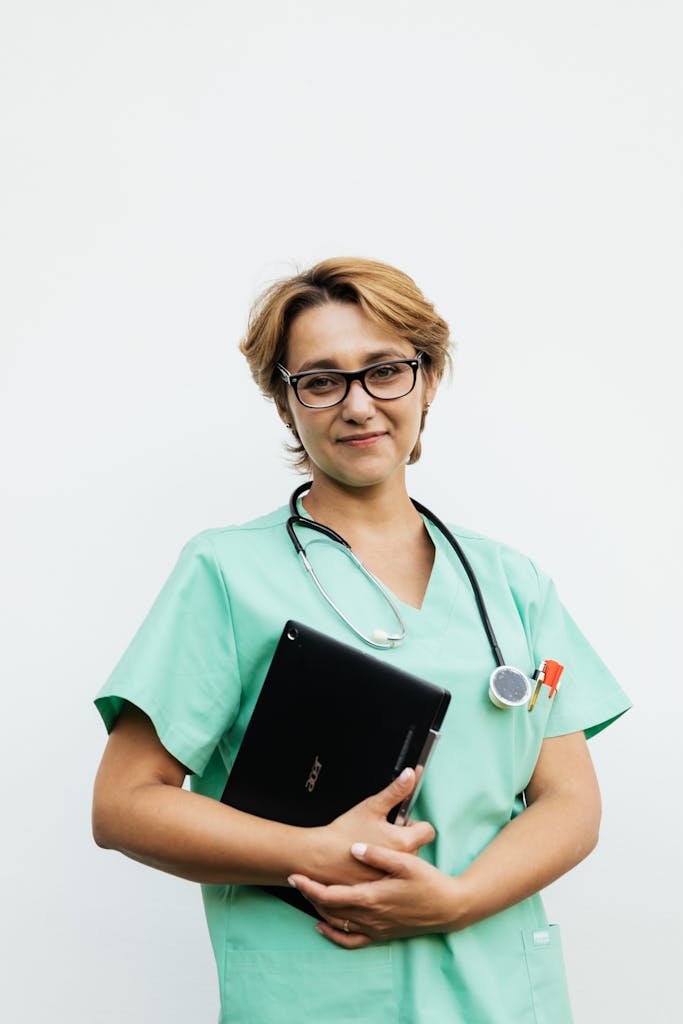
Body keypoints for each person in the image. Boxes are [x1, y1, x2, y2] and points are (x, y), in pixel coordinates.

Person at [92, 257, 630, 1023]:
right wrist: (306, 851)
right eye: (320, 380)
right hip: (320, 991)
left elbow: (570, 800)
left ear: (428, 379)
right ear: (285, 405)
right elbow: (124, 805)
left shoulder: (511, 582)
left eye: (385, 371)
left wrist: (456, 900)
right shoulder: (224, 572)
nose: (357, 405)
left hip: (500, 994)